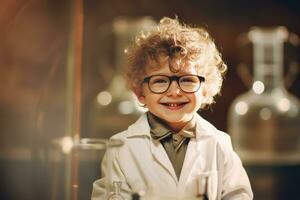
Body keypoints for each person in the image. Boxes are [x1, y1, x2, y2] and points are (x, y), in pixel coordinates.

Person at [92, 17, 253, 200]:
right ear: (140, 92)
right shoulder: (120, 147)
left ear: (206, 89)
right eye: (160, 81)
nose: (175, 92)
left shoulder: (219, 144)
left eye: (187, 80)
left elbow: (239, 196)